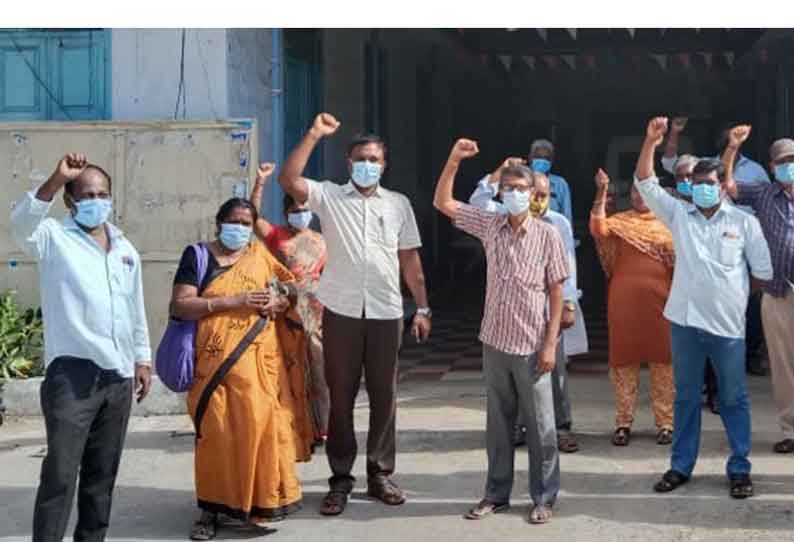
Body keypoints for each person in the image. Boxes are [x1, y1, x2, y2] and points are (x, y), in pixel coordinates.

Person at [278, 113, 432, 516]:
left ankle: (380, 474)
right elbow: (289, 180)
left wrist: (423, 305)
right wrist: (312, 134)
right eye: (361, 158)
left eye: (375, 159)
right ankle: (340, 480)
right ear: (349, 164)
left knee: (385, 395)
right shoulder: (329, 196)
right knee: (341, 396)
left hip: (386, 311)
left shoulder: (398, 205)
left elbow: (410, 260)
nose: (368, 165)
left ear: (385, 165)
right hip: (342, 310)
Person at [11, 154, 152, 542]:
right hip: (71, 378)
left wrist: (142, 358)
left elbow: (134, 307)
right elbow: (20, 224)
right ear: (70, 201)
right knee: (60, 475)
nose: (96, 200)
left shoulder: (125, 248)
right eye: (87, 194)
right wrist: (56, 178)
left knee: (100, 478)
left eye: (102, 193)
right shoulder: (52, 237)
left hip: (118, 378)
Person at [636, 117, 773, 499]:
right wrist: (650, 142)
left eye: (709, 185)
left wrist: (730, 296)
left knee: (733, 398)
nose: (702, 191)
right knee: (686, 397)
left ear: (722, 188)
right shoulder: (680, 216)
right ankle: (681, 466)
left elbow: (761, 272)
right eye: (696, 186)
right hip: (684, 323)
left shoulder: (745, 223)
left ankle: (740, 467)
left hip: (728, 329)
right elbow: (646, 183)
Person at [435, 138, 568, 525]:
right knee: (498, 425)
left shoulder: (548, 235)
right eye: (507, 188)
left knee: (542, 427)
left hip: (532, 345)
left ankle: (544, 497)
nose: (514, 194)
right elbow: (444, 203)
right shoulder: (491, 225)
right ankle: (496, 493)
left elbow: (557, 291)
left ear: (534, 193)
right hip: (494, 340)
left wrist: (550, 345)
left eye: (520, 189)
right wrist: (454, 160)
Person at [170, 197, 315, 539]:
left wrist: (278, 301)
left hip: (259, 363)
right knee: (217, 433)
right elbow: (180, 304)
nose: (240, 229)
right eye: (234, 221)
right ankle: (210, 509)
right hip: (214, 362)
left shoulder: (259, 256)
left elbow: (290, 288)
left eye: (247, 224)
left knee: (260, 428)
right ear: (219, 223)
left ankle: (253, 504)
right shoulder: (198, 255)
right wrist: (234, 301)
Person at [469, 158, 584, 453]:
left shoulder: (557, 224)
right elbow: (477, 200)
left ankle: (561, 427)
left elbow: (568, 265)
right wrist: (499, 169)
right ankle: (520, 427)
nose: (534, 200)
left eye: (542, 195)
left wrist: (569, 303)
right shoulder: (500, 218)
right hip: (513, 318)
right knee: (515, 379)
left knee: (553, 372)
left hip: (548, 314)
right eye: (513, 190)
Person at [662, 117, 769, 376]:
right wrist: (673, 133)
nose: (703, 185)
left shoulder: (755, 171)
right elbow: (669, 162)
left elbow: (763, 205)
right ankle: (707, 379)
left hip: (739, 244)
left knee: (747, 310)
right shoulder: (703, 166)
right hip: (703, 241)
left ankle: (749, 357)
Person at [590, 167, 676, 446]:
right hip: (624, 303)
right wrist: (602, 192)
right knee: (623, 363)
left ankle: (665, 423)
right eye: (634, 193)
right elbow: (598, 228)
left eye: (644, 193)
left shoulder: (670, 224)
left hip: (662, 303)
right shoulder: (620, 222)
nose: (639, 198)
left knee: (664, 363)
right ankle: (623, 423)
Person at [721, 127, 794, 454]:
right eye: (783, 162)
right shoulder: (764, 193)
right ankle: (791, 430)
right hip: (777, 292)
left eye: (792, 160)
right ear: (772, 165)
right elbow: (729, 187)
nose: (788, 166)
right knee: (783, 364)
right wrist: (733, 148)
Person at [250, 162, 330, 442]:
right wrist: (260, 182)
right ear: (286, 213)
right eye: (295, 211)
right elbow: (252, 217)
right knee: (287, 371)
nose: (301, 215)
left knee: (319, 373)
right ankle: (290, 427)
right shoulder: (277, 237)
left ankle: (322, 429)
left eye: (305, 210)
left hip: (317, 314)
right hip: (285, 312)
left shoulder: (323, 240)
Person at [528, 139, 573, 223]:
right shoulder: (521, 180)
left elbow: (567, 217)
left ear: (551, 161)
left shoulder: (560, 184)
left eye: (546, 158)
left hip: (553, 232)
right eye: (538, 157)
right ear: (530, 158)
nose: (542, 160)